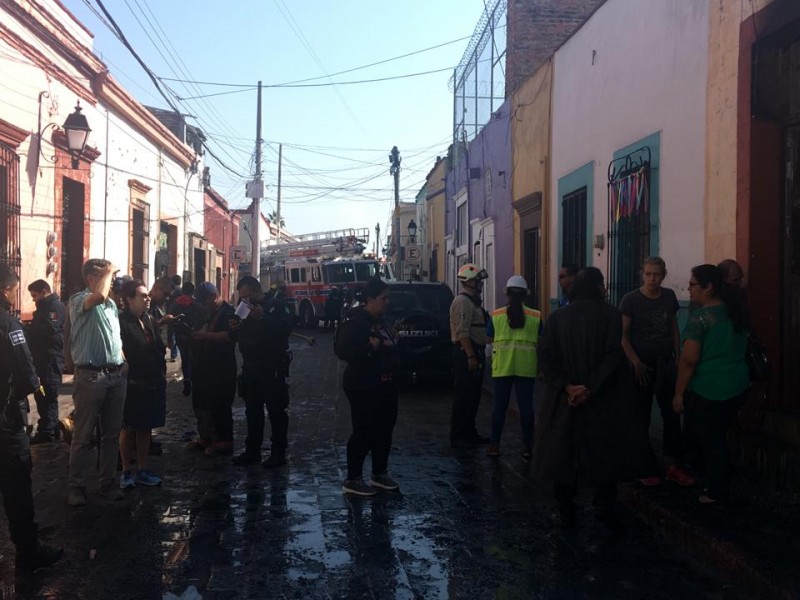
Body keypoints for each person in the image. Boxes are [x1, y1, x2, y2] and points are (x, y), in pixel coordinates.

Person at [534, 267, 654, 531]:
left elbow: (546, 356)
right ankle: (604, 505)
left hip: (566, 401)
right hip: (604, 398)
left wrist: (568, 387)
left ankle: (565, 507)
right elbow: (614, 355)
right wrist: (590, 388)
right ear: (599, 287)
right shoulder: (612, 316)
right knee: (605, 451)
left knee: (564, 452)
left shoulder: (556, 318)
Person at [0, 264, 63, 571]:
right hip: (6, 420)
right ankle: (28, 551)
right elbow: (26, 371)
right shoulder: (9, 324)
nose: (16, 297)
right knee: (17, 489)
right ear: (5, 291)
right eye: (14, 291)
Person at [673, 265, 749, 505]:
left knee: (712, 440)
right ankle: (720, 479)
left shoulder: (700, 318)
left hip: (709, 387)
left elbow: (689, 359)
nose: (689, 288)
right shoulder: (734, 311)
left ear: (709, 287)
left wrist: (678, 393)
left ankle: (717, 490)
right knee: (720, 435)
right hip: (737, 383)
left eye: (693, 284)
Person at [620, 257, 694, 487]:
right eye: (649, 274)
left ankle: (673, 464)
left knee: (671, 414)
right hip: (641, 365)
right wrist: (635, 362)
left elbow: (673, 327)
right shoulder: (631, 300)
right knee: (640, 415)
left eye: (657, 275)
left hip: (666, 364)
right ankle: (642, 465)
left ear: (663, 275)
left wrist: (676, 353)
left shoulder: (669, 297)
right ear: (642, 274)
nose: (652, 279)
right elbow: (622, 335)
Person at [66, 258, 127, 507]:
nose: (112, 280)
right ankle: (76, 486)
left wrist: (123, 361)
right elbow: (98, 297)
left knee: (111, 435)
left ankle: (108, 482)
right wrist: (109, 270)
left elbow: (114, 336)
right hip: (90, 376)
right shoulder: (79, 300)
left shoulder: (111, 304)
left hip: (115, 375)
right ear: (92, 278)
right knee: (82, 435)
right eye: (108, 276)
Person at [335, 278, 400, 496]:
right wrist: (368, 348)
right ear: (370, 299)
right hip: (364, 384)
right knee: (364, 430)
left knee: (384, 430)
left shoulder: (381, 320)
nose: (387, 302)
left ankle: (379, 473)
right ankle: (353, 478)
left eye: (389, 298)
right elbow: (343, 351)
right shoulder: (356, 323)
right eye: (384, 298)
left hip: (387, 383)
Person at [231, 276, 292, 468]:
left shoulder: (275, 306)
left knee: (276, 412)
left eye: (248, 297)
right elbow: (236, 330)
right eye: (242, 298)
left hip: (271, 367)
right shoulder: (243, 307)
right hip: (251, 367)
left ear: (257, 291)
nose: (245, 302)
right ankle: (252, 451)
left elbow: (285, 328)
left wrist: (262, 317)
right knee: (253, 411)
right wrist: (234, 326)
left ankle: (278, 453)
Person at [486, 276, 541, 460]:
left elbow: (488, 338)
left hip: (502, 367)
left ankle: (494, 445)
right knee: (526, 408)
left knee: (499, 408)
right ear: (525, 295)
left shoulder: (496, 315)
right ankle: (528, 447)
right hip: (526, 367)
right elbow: (542, 341)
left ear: (507, 294)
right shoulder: (536, 316)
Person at [117, 280, 166, 489]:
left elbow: (157, 346)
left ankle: (143, 468)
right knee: (128, 428)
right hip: (132, 382)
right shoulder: (121, 321)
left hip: (152, 381)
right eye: (142, 296)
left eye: (147, 295)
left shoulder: (149, 319)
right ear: (129, 300)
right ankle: (127, 469)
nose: (147, 299)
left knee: (146, 428)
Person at [188, 282, 237, 457]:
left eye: (204, 301)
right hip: (203, 366)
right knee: (202, 404)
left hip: (221, 368)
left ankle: (223, 441)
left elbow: (230, 336)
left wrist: (205, 336)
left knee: (219, 406)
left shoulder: (229, 313)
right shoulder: (205, 312)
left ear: (213, 297)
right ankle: (206, 437)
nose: (202, 305)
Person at [449, 263, 490, 450]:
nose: (480, 284)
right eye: (477, 281)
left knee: (473, 396)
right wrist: (471, 356)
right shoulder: (463, 302)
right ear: (469, 282)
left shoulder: (473, 302)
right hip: (466, 353)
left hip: (475, 352)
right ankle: (459, 435)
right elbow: (462, 332)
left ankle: (469, 432)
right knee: (464, 396)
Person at [26, 279, 65, 444]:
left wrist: (28, 331)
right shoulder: (45, 307)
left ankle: (47, 431)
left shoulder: (53, 307)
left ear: (43, 291)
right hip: (43, 358)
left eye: (35, 295)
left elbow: (50, 330)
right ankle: (51, 426)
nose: (33, 299)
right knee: (45, 394)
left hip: (50, 358)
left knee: (48, 394)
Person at [168, 282, 198, 396]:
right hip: (193, 334)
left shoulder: (176, 303)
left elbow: (170, 321)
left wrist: (170, 338)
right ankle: (193, 379)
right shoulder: (195, 303)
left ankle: (187, 379)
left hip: (180, 335)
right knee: (193, 357)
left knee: (185, 358)